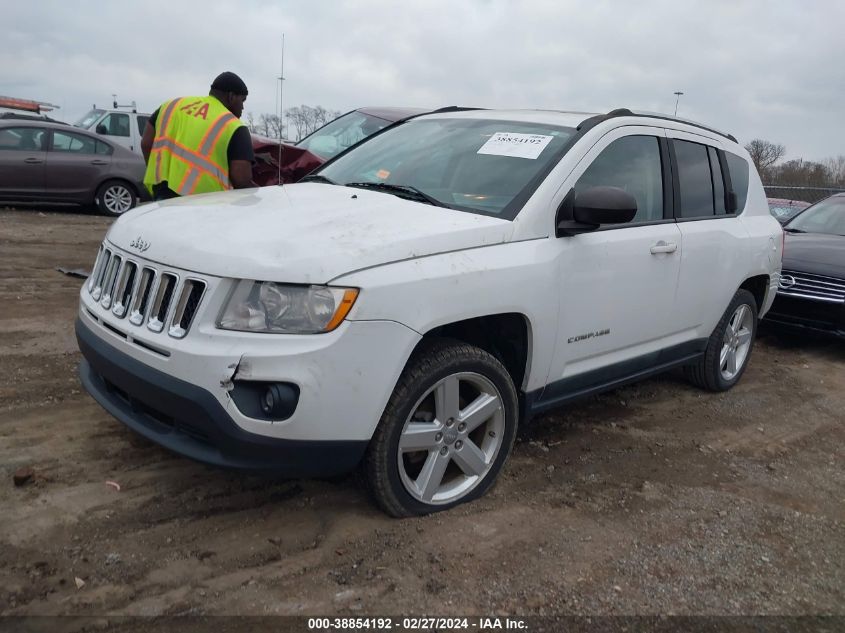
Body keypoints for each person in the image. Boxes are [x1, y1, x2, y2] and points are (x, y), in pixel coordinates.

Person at [141, 71, 255, 200]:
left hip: (162, 195)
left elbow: (146, 143)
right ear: (231, 97)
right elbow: (242, 180)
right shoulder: (233, 126)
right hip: (206, 204)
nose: (243, 107)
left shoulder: (171, 105)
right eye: (242, 100)